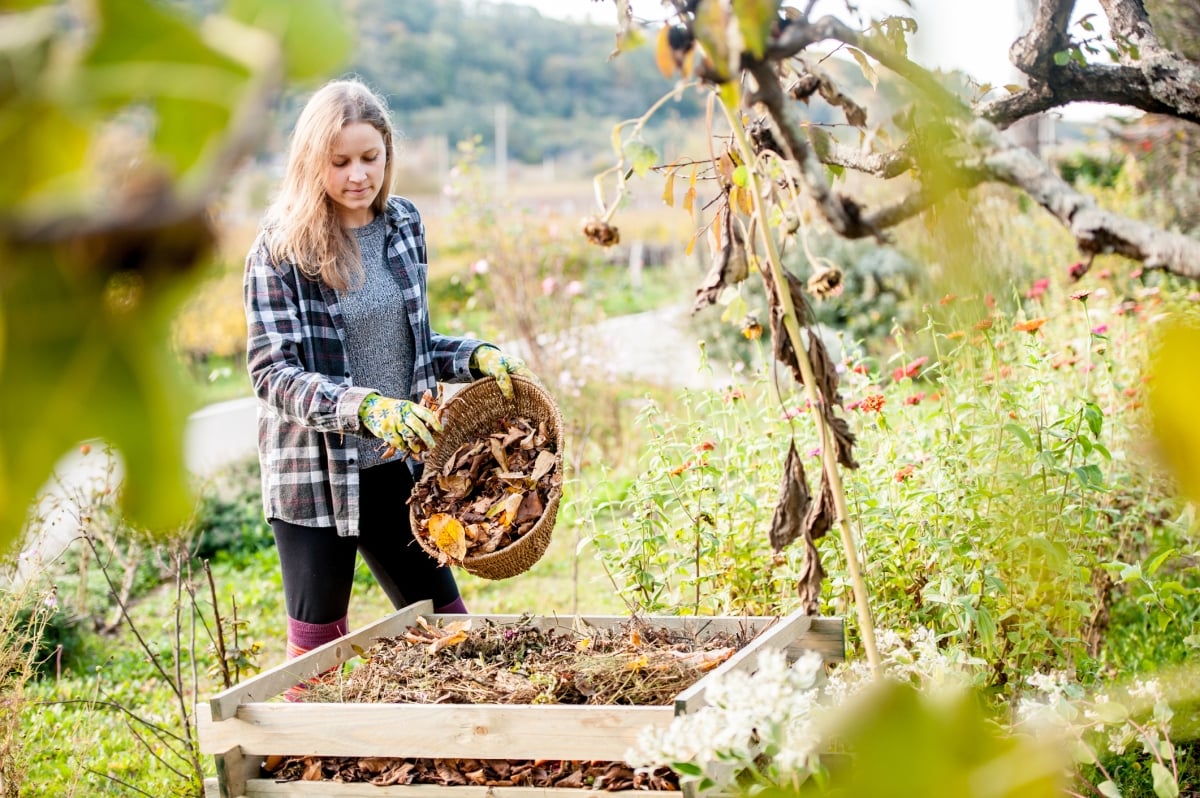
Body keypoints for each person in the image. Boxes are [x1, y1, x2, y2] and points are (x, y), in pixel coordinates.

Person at [243, 78, 535, 695]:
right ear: (310, 161)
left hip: (395, 469)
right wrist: (365, 408)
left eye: (370, 158)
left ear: (388, 153)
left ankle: (460, 746)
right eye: (340, 161)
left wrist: (474, 353)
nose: (358, 176)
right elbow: (272, 372)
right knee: (317, 656)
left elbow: (411, 345)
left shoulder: (402, 225)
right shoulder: (280, 248)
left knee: (450, 629)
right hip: (316, 478)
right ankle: (304, 775)